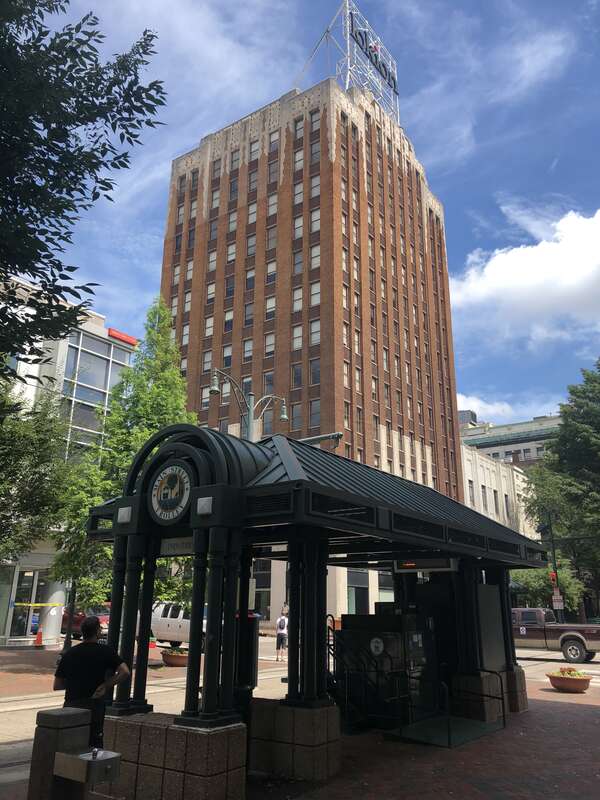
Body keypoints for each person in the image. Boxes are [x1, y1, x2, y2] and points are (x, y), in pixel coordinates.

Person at [53, 615, 130, 747]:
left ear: (83, 633)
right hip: (94, 704)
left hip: (72, 703)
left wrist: (74, 682)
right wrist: (106, 685)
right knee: (93, 743)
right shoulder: (105, 651)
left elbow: (57, 685)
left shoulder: (70, 653)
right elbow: (125, 672)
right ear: (97, 632)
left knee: (69, 743)